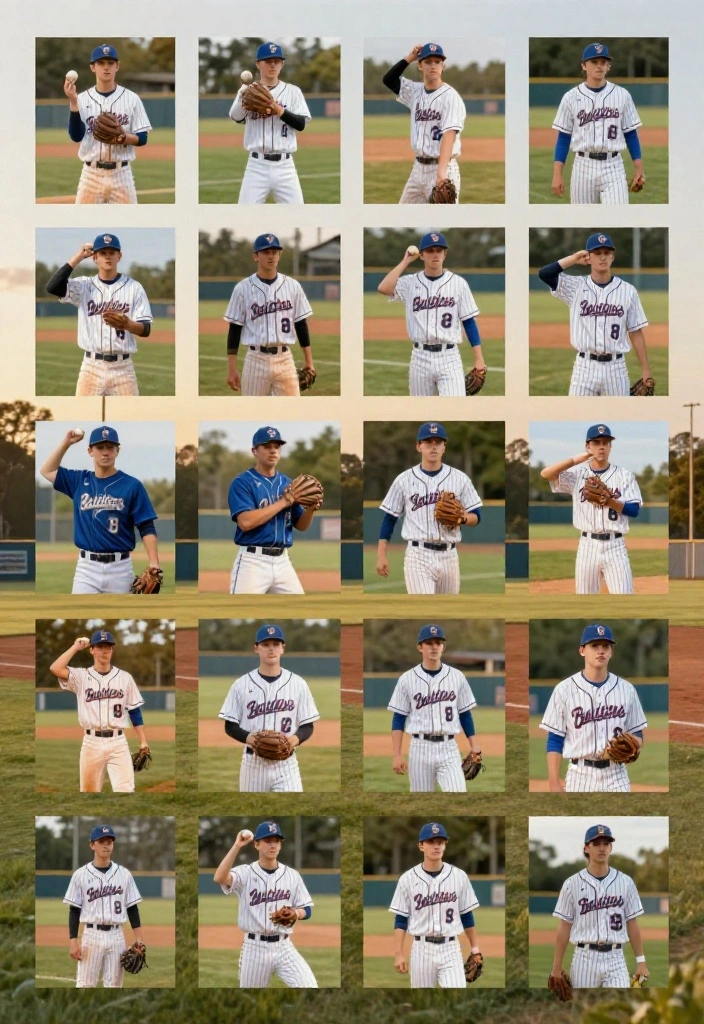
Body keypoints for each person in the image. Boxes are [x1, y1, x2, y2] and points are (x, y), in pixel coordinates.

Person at [39, 425, 161, 594]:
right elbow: (47, 470)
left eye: (110, 447)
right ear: (90, 451)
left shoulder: (132, 485)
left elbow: (146, 527)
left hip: (121, 568)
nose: (105, 452)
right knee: (79, 616)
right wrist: (67, 442)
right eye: (100, 447)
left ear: (117, 450)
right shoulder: (79, 481)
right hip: (86, 570)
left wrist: (154, 563)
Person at [537, 233, 651, 396]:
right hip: (584, 368)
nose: (603, 257)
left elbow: (635, 331)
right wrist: (574, 258)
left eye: (607, 253)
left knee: (618, 418)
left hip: (616, 368)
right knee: (576, 418)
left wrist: (646, 370)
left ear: (612, 257)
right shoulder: (575, 287)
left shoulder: (628, 291)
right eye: (597, 253)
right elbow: (545, 274)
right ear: (588, 257)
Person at [375, 422, 482, 594]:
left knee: (447, 610)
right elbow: (389, 518)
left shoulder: (460, 479)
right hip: (418, 555)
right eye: (428, 442)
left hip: (450, 555)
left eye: (438, 442)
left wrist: (462, 518)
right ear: (419, 446)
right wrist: (381, 555)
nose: (433, 447)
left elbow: (476, 515)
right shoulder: (403, 480)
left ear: (444, 447)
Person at [539, 624, 647, 793]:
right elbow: (555, 739)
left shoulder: (627, 690)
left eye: (606, 646)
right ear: (582, 650)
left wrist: (632, 744)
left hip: (616, 775)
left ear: (611, 652)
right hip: (579, 775)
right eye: (594, 646)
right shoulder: (564, 690)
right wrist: (554, 783)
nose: (601, 651)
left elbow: (638, 735)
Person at [539, 423, 643, 595]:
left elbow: (634, 510)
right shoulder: (577, 474)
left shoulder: (624, 475)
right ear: (588, 446)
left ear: (610, 447)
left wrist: (610, 501)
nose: (601, 446)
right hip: (587, 546)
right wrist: (575, 460)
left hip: (615, 545)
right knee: (585, 599)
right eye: (596, 442)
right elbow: (546, 474)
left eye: (605, 442)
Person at [45, 233, 153, 397]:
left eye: (112, 252)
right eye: (103, 253)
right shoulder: (83, 286)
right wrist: (78, 257)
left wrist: (128, 325)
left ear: (119, 256)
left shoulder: (134, 287)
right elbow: (52, 287)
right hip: (91, 368)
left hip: (123, 369)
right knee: (82, 413)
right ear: (95, 257)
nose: (108, 256)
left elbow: (146, 329)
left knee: (130, 414)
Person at [377, 232, 485, 396]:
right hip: (419, 358)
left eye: (439, 250)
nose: (435, 254)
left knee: (455, 409)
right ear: (421, 255)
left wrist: (479, 359)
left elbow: (469, 322)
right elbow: (383, 288)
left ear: (445, 254)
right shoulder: (410, 283)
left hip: (450, 357)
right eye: (430, 250)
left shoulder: (458, 284)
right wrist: (405, 260)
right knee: (420, 410)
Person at [213, 820, 318, 988]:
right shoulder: (245, 873)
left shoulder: (292, 875)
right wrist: (236, 846)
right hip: (254, 948)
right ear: (256, 844)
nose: (273, 845)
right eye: (268, 840)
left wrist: (296, 914)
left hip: (284, 947)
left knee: (309, 986)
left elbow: (307, 909)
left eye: (276, 841)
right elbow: (219, 878)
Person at [217, 623, 320, 791]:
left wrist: (292, 741)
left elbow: (307, 726)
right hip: (253, 764)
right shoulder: (240, 685)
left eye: (276, 644)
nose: (271, 649)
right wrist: (251, 739)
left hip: (287, 765)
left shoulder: (298, 684)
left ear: (283, 648)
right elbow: (230, 726)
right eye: (265, 644)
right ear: (256, 648)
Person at [49, 629, 150, 792]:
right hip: (91, 743)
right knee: (89, 792)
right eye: (100, 646)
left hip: (118, 743)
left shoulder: (125, 678)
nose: (105, 650)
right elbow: (55, 668)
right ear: (92, 649)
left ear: (112, 650)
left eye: (108, 646)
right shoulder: (81, 677)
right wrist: (75, 647)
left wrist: (143, 742)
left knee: (126, 791)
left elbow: (134, 711)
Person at [550, 824, 649, 988]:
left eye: (606, 843)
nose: (602, 848)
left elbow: (632, 923)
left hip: (616, 958)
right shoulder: (571, 884)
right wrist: (556, 967)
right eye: (596, 844)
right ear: (586, 848)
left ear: (611, 848)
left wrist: (641, 962)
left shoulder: (626, 882)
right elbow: (564, 927)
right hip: (584, 958)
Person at [387, 624, 482, 792]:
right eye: (429, 642)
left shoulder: (457, 677)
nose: (434, 647)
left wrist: (475, 746)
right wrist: (396, 754)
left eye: (438, 642)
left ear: (443, 647)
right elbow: (399, 718)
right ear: (420, 647)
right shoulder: (407, 679)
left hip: (449, 748)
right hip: (419, 748)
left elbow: (465, 714)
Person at [389, 822, 482, 988]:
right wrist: (398, 954)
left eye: (440, 842)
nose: (436, 846)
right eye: (431, 842)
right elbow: (401, 919)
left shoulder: (459, 876)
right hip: (420, 950)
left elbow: (466, 916)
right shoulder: (407, 879)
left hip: (451, 949)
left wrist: (475, 948)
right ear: (421, 846)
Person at [226, 426, 317, 595]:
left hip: (283, 561)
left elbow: (301, 525)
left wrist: (311, 508)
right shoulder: (242, 482)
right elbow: (245, 522)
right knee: (240, 610)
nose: (273, 451)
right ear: (254, 451)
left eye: (277, 446)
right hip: (252, 562)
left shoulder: (288, 483)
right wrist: (283, 502)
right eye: (267, 447)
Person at [551, 43, 645, 204]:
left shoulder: (622, 95)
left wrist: (639, 167)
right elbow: (564, 138)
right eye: (594, 62)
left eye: (603, 62)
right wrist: (557, 174)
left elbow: (630, 134)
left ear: (608, 66)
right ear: (584, 65)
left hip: (613, 165)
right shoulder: (570, 97)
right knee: (582, 220)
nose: (599, 66)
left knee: (618, 217)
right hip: (583, 165)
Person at [224, 234, 315, 396]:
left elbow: (301, 324)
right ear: (255, 256)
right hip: (255, 359)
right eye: (266, 252)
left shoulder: (293, 286)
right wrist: (232, 369)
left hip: (285, 359)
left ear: (279, 255)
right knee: (251, 411)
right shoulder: (242, 288)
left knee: (293, 411)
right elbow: (235, 329)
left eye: (275, 252)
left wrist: (309, 361)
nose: (271, 256)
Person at [64, 43, 152, 204]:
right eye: (101, 63)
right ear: (93, 67)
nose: (106, 67)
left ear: (117, 66)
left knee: (130, 224)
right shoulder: (81, 99)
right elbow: (76, 136)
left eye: (110, 63)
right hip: (91, 175)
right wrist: (73, 102)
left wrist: (121, 137)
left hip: (122, 174)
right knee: (82, 224)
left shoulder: (132, 99)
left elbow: (142, 138)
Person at [381, 43, 466, 203]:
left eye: (437, 61)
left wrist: (441, 175)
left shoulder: (451, 97)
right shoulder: (415, 91)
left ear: (443, 66)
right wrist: (410, 57)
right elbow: (389, 79)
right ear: (420, 65)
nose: (433, 65)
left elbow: (449, 135)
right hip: (417, 169)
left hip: (443, 169)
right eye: (427, 61)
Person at [229, 42, 311, 204]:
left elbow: (300, 124)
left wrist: (275, 107)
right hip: (256, 166)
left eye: (277, 61)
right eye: (268, 61)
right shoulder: (248, 91)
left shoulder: (293, 92)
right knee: (244, 216)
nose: (273, 65)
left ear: (282, 64)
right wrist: (242, 95)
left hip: (286, 167)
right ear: (258, 64)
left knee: (298, 216)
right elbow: (236, 117)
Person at [63, 824, 144, 988]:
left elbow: (132, 908)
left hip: (117, 936)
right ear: (92, 845)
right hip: (91, 935)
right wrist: (73, 942)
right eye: (101, 841)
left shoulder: (124, 874)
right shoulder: (80, 875)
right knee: (85, 985)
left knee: (114, 986)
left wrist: (139, 939)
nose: (106, 845)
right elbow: (74, 910)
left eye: (109, 841)